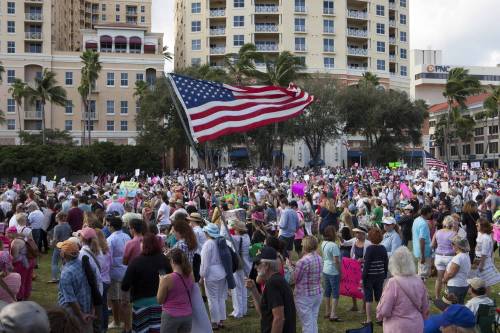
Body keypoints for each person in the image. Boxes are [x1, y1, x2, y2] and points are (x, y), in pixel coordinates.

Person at [122, 233, 171, 333]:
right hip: (159, 302)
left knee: (141, 329)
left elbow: (125, 284)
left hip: (140, 303)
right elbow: (169, 277)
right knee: (157, 329)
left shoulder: (136, 261)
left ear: (145, 245)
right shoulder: (163, 259)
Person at [376, 246, 429, 333]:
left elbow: (385, 310)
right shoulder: (419, 280)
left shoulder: (393, 283)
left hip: (397, 327)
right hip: (416, 325)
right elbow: (425, 307)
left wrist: (379, 314)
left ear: (394, 263)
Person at [245, 246, 296, 333]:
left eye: (257, 263)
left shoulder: (273, 283)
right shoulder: (275, 280)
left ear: (266, 265)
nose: (255, 267)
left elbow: (279, 318)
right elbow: (264, 312)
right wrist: (253, 290)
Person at [57, 239, 93, 333]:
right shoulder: (84, 265)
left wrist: (81, 315)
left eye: (61, 250)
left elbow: (71, 299)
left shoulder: (66, 273)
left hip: (72, 313)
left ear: (63, 254)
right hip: (86, 307)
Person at [157, 248, 194, 333]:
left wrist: (160, 281)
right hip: (187, 315)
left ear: (172, 261)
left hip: (171, 316)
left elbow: (160, 300)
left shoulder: (166, 279)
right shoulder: (190, 275)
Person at [106, 216, 132, 332]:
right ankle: (123, 321)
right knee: (124, 299)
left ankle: (117, 321)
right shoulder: (127, 236)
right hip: (126, 270)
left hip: (115, 271)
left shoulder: (110, 239)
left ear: (111, 227)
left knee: (114, 298)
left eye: (108, 225)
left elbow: (108, 258)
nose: (107, 227)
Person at [200, 223, 228, 330]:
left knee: (213, 299)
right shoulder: (220, 241)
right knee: (220, 298)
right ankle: (221, 320)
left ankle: (215, 322)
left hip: (212, 274)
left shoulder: (208, 244)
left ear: (207, 233)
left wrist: (202, 276)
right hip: (221, 272)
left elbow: (205, 263)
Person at [293, 236, 322, 333]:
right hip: (317, 293)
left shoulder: (302, 261)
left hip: (304, 296)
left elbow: (295, 279)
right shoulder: (319, 257)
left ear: (305, 246)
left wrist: (290, 268)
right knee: (313, 320)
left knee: (307, 324)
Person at [362, 228, 388, 325]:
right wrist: (384, 274)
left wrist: (363, 277)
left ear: (370, 237)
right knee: (379, 297)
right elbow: (386, 262)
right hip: (380, 276)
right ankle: (380, 318)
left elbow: (367, 265)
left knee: (368, 298)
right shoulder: (383, 248)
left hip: (369, 277)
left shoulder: (369, 249)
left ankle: (369, 320)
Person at [431, 215, 457, 299]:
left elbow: (432, 244)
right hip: (449, 257)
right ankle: (448, 296)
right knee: (449, 278)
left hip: (438, 257)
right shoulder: (454, 233)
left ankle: (437, 297)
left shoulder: (437, 232)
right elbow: (456, 247)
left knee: (439, 279)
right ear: (452, 224)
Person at [229, 220, 251, 319]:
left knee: (237, 289)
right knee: (244, 288)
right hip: (247, 265)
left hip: (239, 266)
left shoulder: (237, 239)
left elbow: (224, 235)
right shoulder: (247, 237)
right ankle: (244, 310)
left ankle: (238, 312)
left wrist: (227, 224)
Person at [320, 226, 341, 322]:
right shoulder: (334, 246)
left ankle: (327, 312)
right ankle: (333, 314)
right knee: (335, 292)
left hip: (325, 269)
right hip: (333, 271)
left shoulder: (324, 243)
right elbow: (336, 261)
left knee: (327, 291)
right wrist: (340, 272)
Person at [6, 226, 33, 301]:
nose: (6, 235)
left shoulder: (15, 242)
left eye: (7, 233)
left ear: (11, 233)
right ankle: (26, 295)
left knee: (20, 281)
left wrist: (8, 261)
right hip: (29, 260)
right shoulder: (23, 238)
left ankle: (19, 297)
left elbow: (14, 257)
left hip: (21, 264)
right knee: (28, 279)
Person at [443, 237, 471, 304]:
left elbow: (451, 274)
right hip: (463, 285)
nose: (451, 245)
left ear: (457, 246)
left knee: (452, 307)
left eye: (452, 244)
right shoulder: (466, 256)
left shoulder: (458, 258)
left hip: (455, 286)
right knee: (459, 306)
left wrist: (444, 280)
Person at [474, 218, 500, 289]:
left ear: (483, 227)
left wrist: (481, 265)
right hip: (478, 258)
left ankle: (486, 297)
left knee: (486, 281)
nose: (476, 226)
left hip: (484, 261)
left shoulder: (485, 238)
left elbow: (484, 253)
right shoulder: (480, 234)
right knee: (479, 280)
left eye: (477, 225)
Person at [49, 212, 72, 283]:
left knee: (54, 262)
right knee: (65, 263)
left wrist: (51, 244)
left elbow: (55, 239)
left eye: (56, 217)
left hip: (58, 246)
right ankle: (65, 277)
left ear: (59, 218)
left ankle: (54, 278)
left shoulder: (57, 227)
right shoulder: (68, 226)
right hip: (66, 246)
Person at [412, 205, 433, 280]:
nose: (431, 214)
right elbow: (422, 239)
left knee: (420, 271)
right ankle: (421, 290)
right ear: (427, 213)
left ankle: (419, 289)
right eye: (431, 213)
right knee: (423, 275)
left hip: (418, 250)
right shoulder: (423, 224)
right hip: (423, 252)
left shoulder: (416, 220)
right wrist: (423, 255)